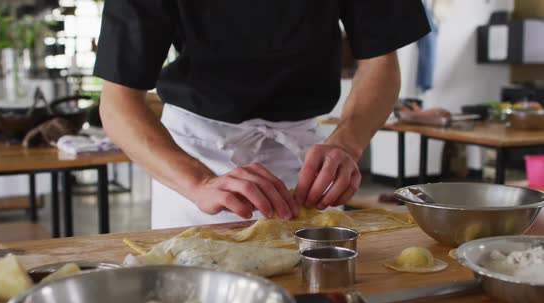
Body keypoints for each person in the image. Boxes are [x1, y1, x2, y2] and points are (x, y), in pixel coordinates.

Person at [94, 0, 430, 229]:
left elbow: (381, 63)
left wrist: (347, 145)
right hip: (194, 158)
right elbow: (118, 101)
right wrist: (200, 181)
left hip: (307, 162)